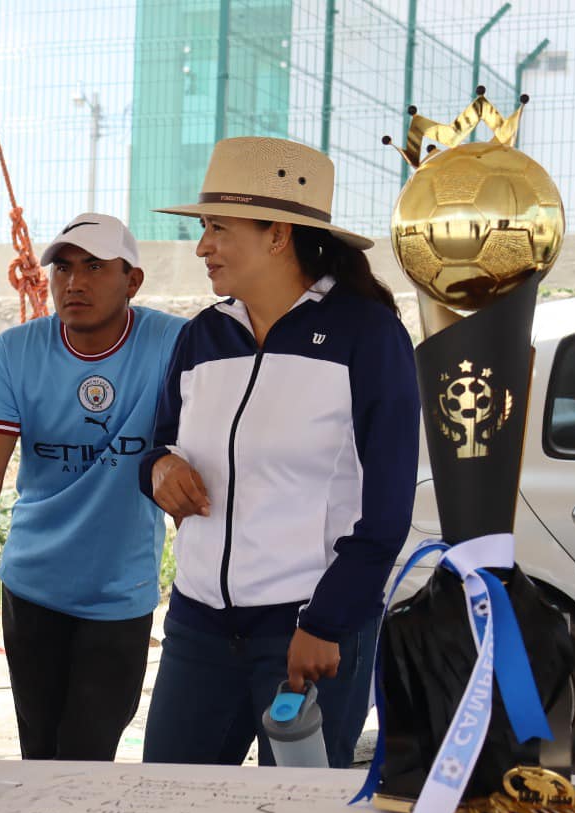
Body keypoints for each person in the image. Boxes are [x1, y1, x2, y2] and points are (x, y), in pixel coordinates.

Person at [139, 136, 419, 769]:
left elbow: (387, 508)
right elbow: (157, 444)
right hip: (198, 627)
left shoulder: (367, 337)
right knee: (167, 806)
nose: (202, 245)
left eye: (218, 228)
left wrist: (328, 620)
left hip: (308, 630)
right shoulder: (203, 336)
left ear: (277, 235)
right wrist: (159, 468)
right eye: (204, 228)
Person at [0, 214, 188, 760]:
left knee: (87, 758)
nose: (74, 282)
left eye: (94, 266)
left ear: (132, 281)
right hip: (32, 588)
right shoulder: (16, 351)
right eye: (62, 267)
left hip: (120, 595)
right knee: (39, 756)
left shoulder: (175, 343)